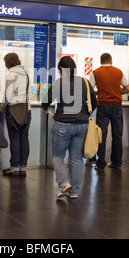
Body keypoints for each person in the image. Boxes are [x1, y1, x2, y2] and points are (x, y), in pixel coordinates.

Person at [41, 56, 97, 199]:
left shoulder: (59, 83)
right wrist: (85, 113)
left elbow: (45, 101)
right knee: (77, 159)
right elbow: (94, 102)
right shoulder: (84, 82)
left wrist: (46, 108)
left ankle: (64, 183)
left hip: (63, 124)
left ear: (61, 69)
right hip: (82, 125)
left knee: (57, 156)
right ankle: (74, 192)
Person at [89, 53, 129, 170]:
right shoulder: (119, 72)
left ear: (101, 61)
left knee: (101, 135)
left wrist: (100, 93)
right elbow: (127, 89)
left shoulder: (95, 72)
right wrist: (117, 92)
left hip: (103, 106)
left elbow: (90, 90)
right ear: (111, 60)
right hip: (117, 106)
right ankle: (116, 162)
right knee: (117, 135)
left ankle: (101, 163)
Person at [1, 53, 31, 177]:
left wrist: (2, 107)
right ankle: (23, 167)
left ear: (8, 63)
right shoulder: (26, 74)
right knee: (24, 138)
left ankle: (14, 167)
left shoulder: (10, 74)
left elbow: (8, 95)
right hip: (26, 110)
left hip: (13, 110)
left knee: (14, 139)